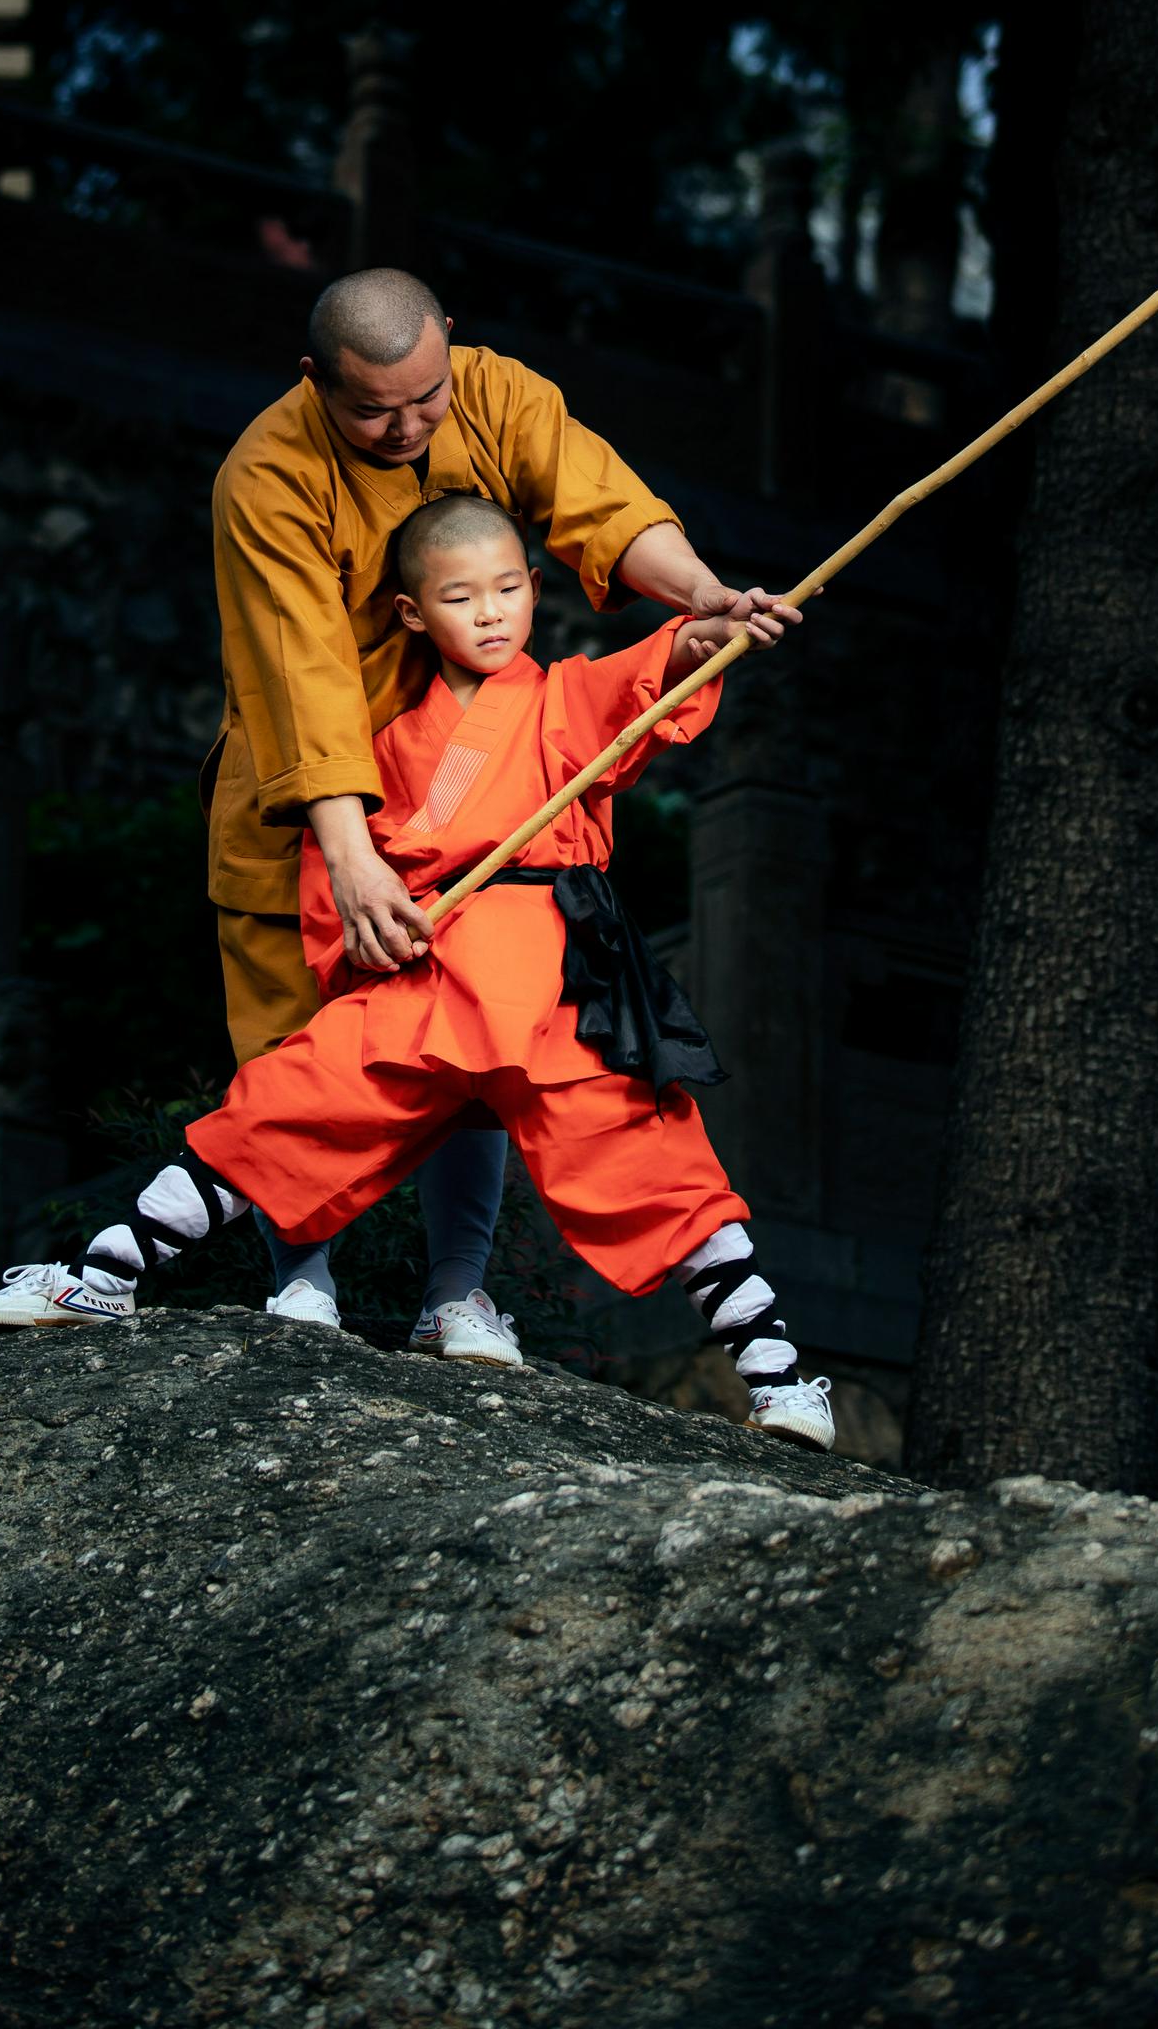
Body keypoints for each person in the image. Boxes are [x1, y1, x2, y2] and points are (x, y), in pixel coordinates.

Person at [0, 492, 833, 1454]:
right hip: (432, 975)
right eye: (461, 598)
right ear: (413, 614)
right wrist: (373, 934)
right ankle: (101, 1275)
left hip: (555, 981)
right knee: (281, 1108)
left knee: (656, 1165)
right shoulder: (383, 747)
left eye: (508, 590)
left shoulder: (561, 698)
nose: (492, 614)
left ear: (535, 589)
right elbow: (343, 882)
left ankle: (783, 1381)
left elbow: (652, 669)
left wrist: (706, 633)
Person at [151, 265, 797, 1357]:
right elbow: (300, 672)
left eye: (426, 397)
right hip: (317, 797)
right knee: (296, 1050)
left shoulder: (497, 393)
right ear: (314, 380)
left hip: (477, 785)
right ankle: (300, 1281)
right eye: (373, 411)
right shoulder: (265, 476)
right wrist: (350, 857)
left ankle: (457, 1290)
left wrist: (705, 597)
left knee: (475, 1036)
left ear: (449, 340)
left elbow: (603, 503)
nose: (408, 427)